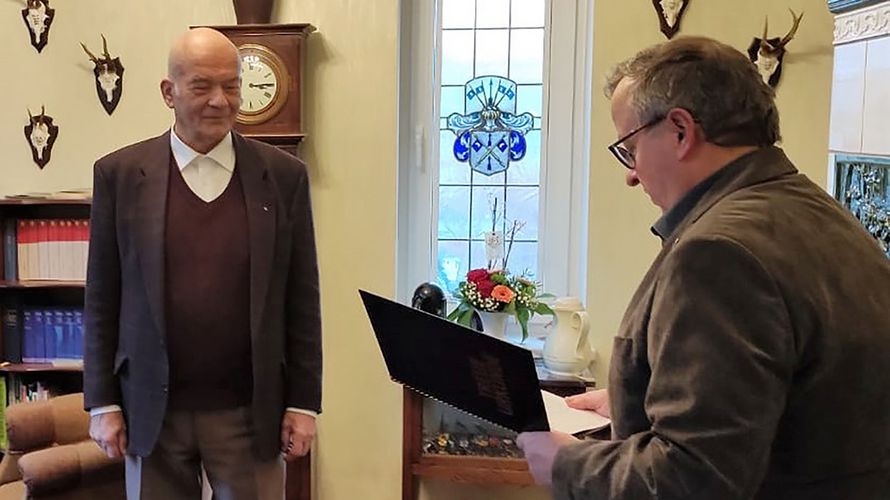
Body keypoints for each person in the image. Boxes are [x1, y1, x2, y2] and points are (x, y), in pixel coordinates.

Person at [517, 36, 890, 500]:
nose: (630, 174)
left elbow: (693, 480)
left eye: (628, 149)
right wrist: (641, 403)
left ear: (679, 130)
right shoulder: (821, 218)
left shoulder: (718, 253)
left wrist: (565, 463)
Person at [84, 27, 322, 500]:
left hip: (250, 413)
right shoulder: (120, 176)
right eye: (201, 86)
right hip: (150, 412)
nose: (219, 100)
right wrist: (102, 403)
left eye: (231, 85)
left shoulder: (283, 177)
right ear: (169, 93)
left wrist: (303, 403)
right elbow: (101, 298)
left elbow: (302, 299)